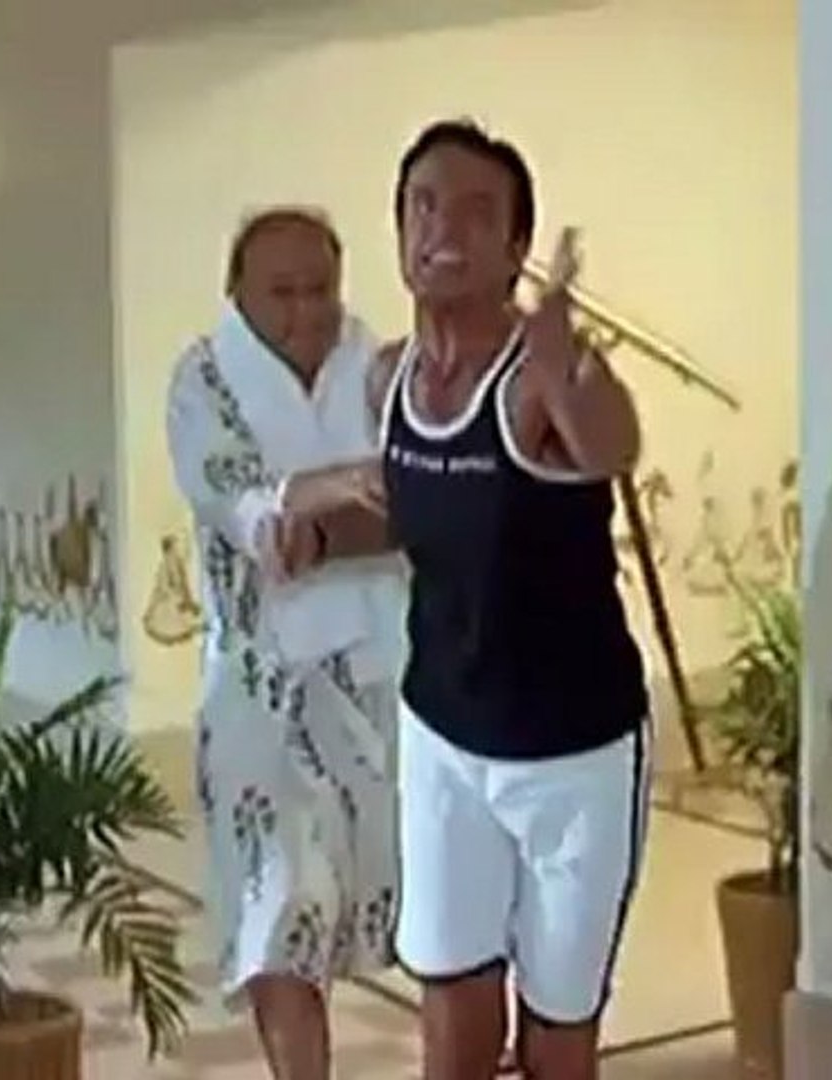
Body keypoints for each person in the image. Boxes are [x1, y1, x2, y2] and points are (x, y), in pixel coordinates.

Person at [372, 119, 651, 1080]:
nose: (442, 229)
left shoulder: (545, 381)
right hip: (445, 736)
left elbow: (611, 447)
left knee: (556, 1036)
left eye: (475, 212)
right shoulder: (388, 378)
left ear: (515, 246)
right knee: (452, 1015)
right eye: (423, 206)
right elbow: (414, 508)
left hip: (574, 754)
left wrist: (564, 367)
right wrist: (306, 525)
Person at [165, 206, 403, 1080]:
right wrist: (349, 492)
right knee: (280, 917)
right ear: (238, 293)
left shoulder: (378, 367)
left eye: (320, 289)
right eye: (282, 293)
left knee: (386, 910)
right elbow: (250, 514)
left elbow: (425, 499)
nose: (306, 311)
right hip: (259, 694)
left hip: (380, 677)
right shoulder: (204, 381)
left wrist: (321, 506)